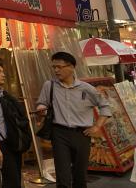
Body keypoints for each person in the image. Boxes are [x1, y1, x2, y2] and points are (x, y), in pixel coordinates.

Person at [36, 51, 111, 188]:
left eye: (59, 67)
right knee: (62, 176)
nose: (56, 70)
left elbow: (105, 106)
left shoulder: (87, 88)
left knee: (80, 175)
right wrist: (41, 108)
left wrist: (97, 126)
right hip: (59, 133)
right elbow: (42, 102)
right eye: (54, 67)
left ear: (71, 67)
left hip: (82, 134)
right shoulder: (49, 85)